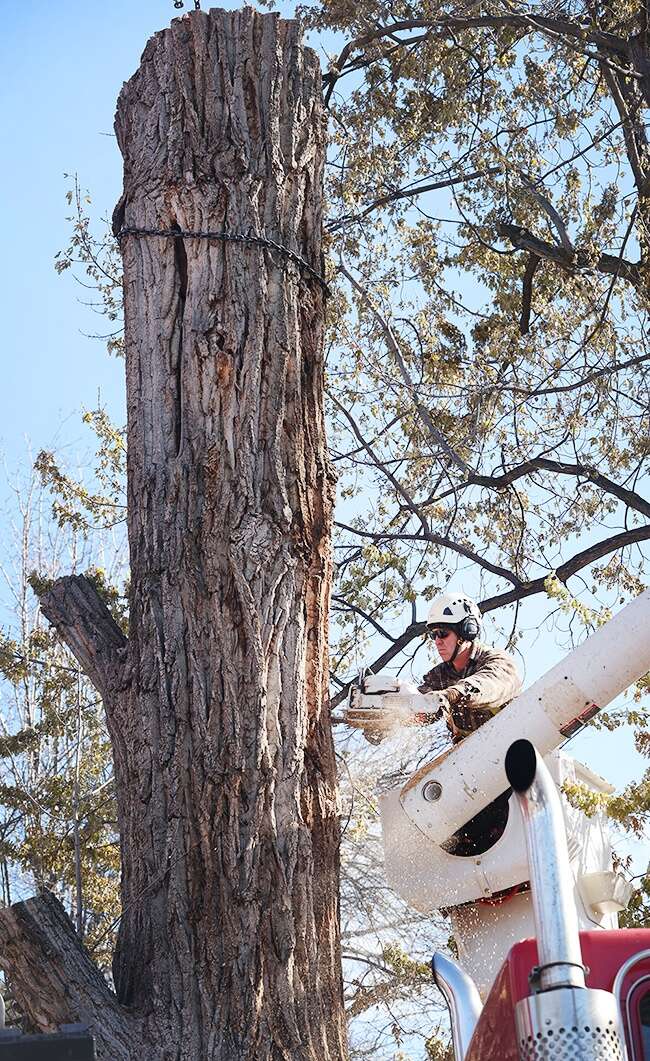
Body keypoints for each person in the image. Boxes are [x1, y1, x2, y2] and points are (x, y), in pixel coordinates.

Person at [344, 592, 522, 744]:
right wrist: (387, 719)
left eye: (443, 633)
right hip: (473, 759)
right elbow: (421, 706)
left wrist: (453, 694)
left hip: (515, 743)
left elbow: (490, 684)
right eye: (433, 635)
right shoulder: (439, 678)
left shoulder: (497, 662)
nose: (437, 641)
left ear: (466, 631)